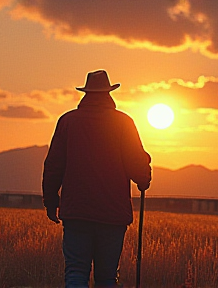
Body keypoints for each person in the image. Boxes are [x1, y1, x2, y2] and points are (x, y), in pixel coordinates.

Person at [42, 70, 152, 288]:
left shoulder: (67, 121)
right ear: (109, 93)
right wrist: (143, 179)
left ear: (86, 94)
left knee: (76, 272)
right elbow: (137, 163)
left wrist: (51, 202)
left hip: (76, 211)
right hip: (113, 213)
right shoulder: (123, 122)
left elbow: (53, 165)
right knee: (106, 277)